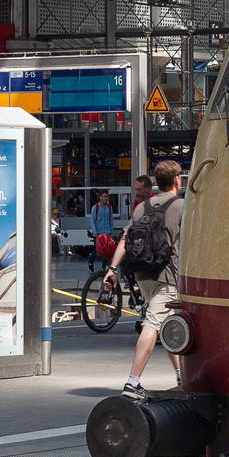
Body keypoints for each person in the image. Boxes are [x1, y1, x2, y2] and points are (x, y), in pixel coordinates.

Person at [105, 160, 184, 399]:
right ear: (177, 180)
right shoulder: (182, 206)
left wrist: (112, 268)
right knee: (153, 323)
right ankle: (132, 382)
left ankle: (181, 375)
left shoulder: (142, 207)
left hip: (143, 274)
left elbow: (125, 240)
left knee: (166, 321)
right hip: (168, 275)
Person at [88, 189, 114, 273]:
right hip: (98, 233)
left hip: (107, 232)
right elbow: (92, 221)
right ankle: (90, 261)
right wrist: (94, 232)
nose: (106, 198)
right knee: (96, 250)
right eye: (104, 197)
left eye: (107, 196)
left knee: (106, 251)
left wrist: (111, 231)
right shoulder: (95, 207)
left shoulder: (109, 207)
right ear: (100, 197)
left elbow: (111, 220)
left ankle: (103, 268)